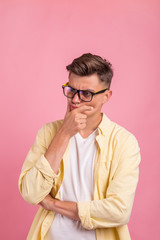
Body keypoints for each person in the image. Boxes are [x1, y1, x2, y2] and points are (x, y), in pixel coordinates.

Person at [18, 53, 141, 240]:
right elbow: (30, 193)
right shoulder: (49, 132)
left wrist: (53, 204)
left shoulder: (124, 142)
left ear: (106, 96)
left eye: (86, 94)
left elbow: (119, 210)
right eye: (71, 90)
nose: (75, 100)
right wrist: (64, 133)